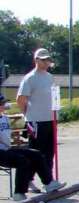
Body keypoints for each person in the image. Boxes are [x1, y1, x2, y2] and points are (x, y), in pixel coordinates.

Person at [0, 95, 65, 201]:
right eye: (2, 104)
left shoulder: (5, 118)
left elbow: (12, 138)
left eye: (4, 103)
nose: (4, 106)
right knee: (22, 160)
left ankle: (49, 183)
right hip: (1, 151)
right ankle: (19, 193)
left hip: (8, 148)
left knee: (36, 154)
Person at [16, 48, 58, 190]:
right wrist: (28, 115)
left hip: (49, 119)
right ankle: (28, 179)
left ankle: (49, 180)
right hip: (35, 121)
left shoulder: (49, 77)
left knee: (49, 153)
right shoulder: (30, 78)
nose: (46, 62)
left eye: (48, 59)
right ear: (36, 60)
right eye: (43, 59)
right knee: (35, 152)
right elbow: (21, 99)